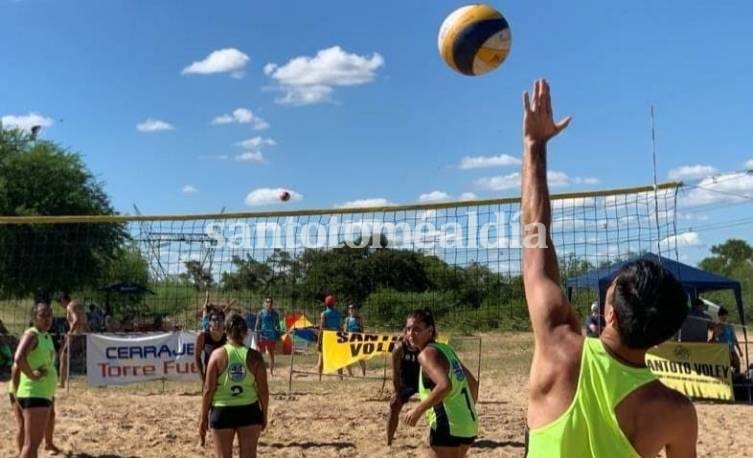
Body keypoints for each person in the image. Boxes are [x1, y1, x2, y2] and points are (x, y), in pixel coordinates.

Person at [520, 79, 697, 457]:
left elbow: (535, 243)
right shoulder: (677, 412)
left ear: (610, 313)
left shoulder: (559, 350)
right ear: (663, 335)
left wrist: (534, 148)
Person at [402, 309, 479, 457]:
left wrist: (417, 410)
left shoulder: (426, 355)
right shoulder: (446, 349)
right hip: (468, 424)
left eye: (417, 329)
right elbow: (473, 383)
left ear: (430, 330)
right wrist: (464, 411)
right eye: (408, 329)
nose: (411, 334)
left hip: (448, 425)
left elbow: (445, 385)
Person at [198, 313, 269, 458]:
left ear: (225, 332)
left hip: (222, 411)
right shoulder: (255, 357)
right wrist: (264, 414)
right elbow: (263, 391)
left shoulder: (217, 355)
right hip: (249, 411)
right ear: (245, 332)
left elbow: (208, 389)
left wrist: (203, 417)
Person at [14, 301, 58, 458]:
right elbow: (19, 358)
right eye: (43, 315)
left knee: (30, 444)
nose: (47, 319)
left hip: (40, 394)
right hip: (35, 394)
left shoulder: (44, 335)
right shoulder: (32, 334)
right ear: (34, 317)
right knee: (31, 446)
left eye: (50, 315)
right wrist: (32, 375)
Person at [8, 363, 60, 455]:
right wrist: (17, 396)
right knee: (23, 425)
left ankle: (49, 444)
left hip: (44, 390)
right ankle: (22, 453)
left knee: (51, 415)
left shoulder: (48, 352)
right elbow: (16, 367)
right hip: (25, 392)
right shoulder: (29, 351)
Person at [387, 328, 421, 446]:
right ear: (404, 333)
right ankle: (389, 442)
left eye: (414, 331)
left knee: (441, 404)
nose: (411, 334)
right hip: (405, 382)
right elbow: (395, 374)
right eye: (408, 331)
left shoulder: (424, 346)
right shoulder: (399, 348)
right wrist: (397, 393)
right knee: (394, 405)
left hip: (422, 379)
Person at [55, 292, 88, 388]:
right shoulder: (78, 305)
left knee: (63, 358)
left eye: (60, 304)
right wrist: (89, 332)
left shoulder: (70, 306)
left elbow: (76, 320)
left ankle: (62, 383)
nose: (61, 306)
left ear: (62, 300)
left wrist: (70, 332)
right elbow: (84, 321)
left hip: (75, 335)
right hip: (84, 334)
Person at [195, 310, 227, 383]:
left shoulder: (228, 337)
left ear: (223, 321)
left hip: (225, 377)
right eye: (214, 320)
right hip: (209, 375)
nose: (217, 322)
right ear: (209, 322)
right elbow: (197, 357)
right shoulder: (203, 337)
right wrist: (202, 376)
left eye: (220, 319)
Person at [317, 295, 343, 381]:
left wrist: (318, 341)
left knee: (321, 358)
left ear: (326, 304)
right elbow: (340, 327)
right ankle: (340, 378)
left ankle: (319, 378)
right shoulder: (338, 313)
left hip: (326, 338)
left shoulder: (324, 314)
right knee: (338, 358)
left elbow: (322, 328)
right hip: (336, 337)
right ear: (334, 303)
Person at [710, 306, 743, 375]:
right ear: (719, 317)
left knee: (737, 365)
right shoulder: (718, 326)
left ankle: (736, 381)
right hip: (723, 350)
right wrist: (716, 336)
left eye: (725, 315)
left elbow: (734, 338)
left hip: (732, 349)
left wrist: (739, 350)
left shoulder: (730, 326)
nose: (724, 317)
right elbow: (713, 340)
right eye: (722, 316)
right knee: (727, 368)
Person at [254, 297, 281, 376]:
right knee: (259, 354)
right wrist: (256, 332)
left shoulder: (275, 314)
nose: (269, 303)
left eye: (270, 302)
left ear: (272, 304)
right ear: (265, 303)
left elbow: (278, 325)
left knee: (271, 354)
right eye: (267, 302)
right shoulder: (261, 313)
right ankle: (258, 371)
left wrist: (278, 335)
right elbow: (257, 323)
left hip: (272, 336)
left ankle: (271, 372)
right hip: (262, 335)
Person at [344, 304, 367, 377]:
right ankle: (350, 373)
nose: (351, 310)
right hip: (349, 340)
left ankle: (364, 373)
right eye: (350, 308)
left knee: (360, 357)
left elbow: (362, 330)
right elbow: (345, 330)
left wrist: (362, 339)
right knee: (347, 358)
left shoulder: (359, 319)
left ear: (356, 310)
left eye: (353, 308)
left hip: (358, 340)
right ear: (348, 310)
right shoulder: (347, 319)